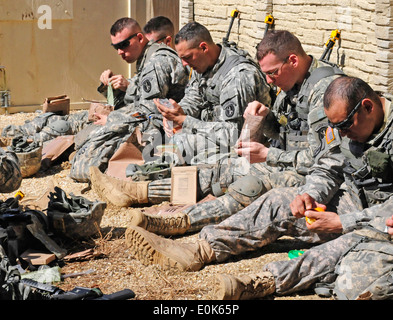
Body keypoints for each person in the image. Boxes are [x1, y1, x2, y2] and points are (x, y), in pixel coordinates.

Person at [124, 76, 393, 300]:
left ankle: (264, 281)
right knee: (279, 200)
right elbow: (328, 167)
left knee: (347, 245)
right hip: (358, 203)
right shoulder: (347, 126)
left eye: (345, 126)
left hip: (383, 222)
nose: (342, 133)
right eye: (336, 127)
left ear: (367, 106)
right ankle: (201, 249)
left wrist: (343, 222)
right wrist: (310, 194)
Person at [91, 30, 345, 238]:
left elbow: (322, 160)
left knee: (249, 182)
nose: (268, 81)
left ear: (293, 61)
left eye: (272, 73)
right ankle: (140, 191)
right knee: (220, 170)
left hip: (315, 175)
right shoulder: (291, 83)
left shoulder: (325, 93)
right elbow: (283, 131)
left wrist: (270, 153)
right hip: (286, 156)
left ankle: (183, 221)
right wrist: (264, 118)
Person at [90, 21, 273, 204]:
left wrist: (185, 121)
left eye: (187, 57)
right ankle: (138, 180)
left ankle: (142, 192)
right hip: (214, 133)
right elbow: (194, 96)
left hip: (246, 146)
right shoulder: (204, 64)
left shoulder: (237, 77)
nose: (184, 63)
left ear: (203, 47)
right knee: (168, 144)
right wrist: (176, 111)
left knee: (186, 150)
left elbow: (234, 135)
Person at [1, 16, 186, 145]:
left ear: (139, 38)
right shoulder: (146, 59)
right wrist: (113, 86)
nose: (120, 52)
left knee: (78, 127)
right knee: (70, 119)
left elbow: (148, 109)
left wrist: (112, 118)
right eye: (116, 47)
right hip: (136, 119)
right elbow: (136, 97)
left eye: (124, 45)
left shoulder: (157, 60)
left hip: (156, 129)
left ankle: (23, 142)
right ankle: (15, 132)